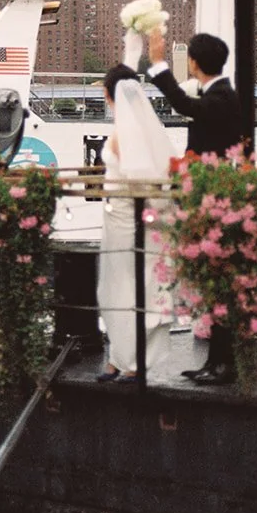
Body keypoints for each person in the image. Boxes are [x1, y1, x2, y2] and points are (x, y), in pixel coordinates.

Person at [145, 23, 245, 385]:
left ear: (196, 62)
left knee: (218, 283)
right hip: (211, 196)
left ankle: (223, 364)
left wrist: (157, 64)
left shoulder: (219, 98)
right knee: (214, 284)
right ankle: (216, 362)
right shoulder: (220, 94)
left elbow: (183, 104)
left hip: (214, 200)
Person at [95, 64, 175, 382]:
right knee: (113, 288)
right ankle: (118, 357)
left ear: (107, 93)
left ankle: (131, 361)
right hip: (115, 217)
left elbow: (141, 179)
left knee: (125, 289)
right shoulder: (130, 125)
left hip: (125, 218)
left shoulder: (128, 132)